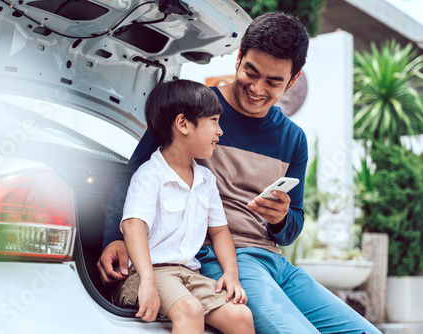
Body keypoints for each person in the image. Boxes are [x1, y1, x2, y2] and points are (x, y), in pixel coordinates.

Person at [99, 12, 382, 334]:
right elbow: (132, 176)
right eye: (252, 71)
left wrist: (279, 219)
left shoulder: (293, 138)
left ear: (292, 80)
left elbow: (293, 228)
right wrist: (114, 239)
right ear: (238, 59)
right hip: (222, 258)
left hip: (276, 263)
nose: (257, 88)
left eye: (274, 81)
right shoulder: (193, 110)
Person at [112, 79, 255, 334]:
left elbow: (220, 231)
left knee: (241, 316)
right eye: (213, 121)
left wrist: (231, 274)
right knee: (190, 310)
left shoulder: (206, 180)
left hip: (189, 274)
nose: (219, 131)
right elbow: (133, 225)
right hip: (148, 274)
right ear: (183, 124)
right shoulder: (149, 175)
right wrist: (147, 281)